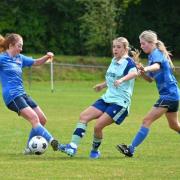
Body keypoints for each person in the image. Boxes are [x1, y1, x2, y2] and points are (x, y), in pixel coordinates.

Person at [59, 37, 139, 158]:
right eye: (114, 47)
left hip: (120, 103)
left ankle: (95, 151)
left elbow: (134, 73)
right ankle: (72, 147)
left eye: (118, 47)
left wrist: (122, 79)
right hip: (107, 98)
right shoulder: (114, 60)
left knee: (98, 126)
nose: (115, 49)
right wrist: (102, 85)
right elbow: (112, 78)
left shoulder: (128, 62)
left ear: (125, 49)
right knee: (84, 116)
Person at [117, 30, 180, 157]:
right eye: (141, 44)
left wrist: (145, 68)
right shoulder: (152, 56)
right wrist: (141, 71)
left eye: (143, 43)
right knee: (174, 125)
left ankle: (131, 149)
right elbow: (150, 79)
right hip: (173, 94)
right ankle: (131, 149)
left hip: (169, 95)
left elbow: (156, 67)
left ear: (151, 43)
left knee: (146, 120)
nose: (141, 46)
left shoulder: (156, 53)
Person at [0, 33, 60, 154]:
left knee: (42, 119)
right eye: (19, 46)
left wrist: (47, 57)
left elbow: (36, 62)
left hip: (23, 94)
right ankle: (53, 141)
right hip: (12, 96)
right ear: (11, 45)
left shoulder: (20, 58)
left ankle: (28, 149)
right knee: (34, 118)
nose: (21, 49)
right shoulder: (1, 59)